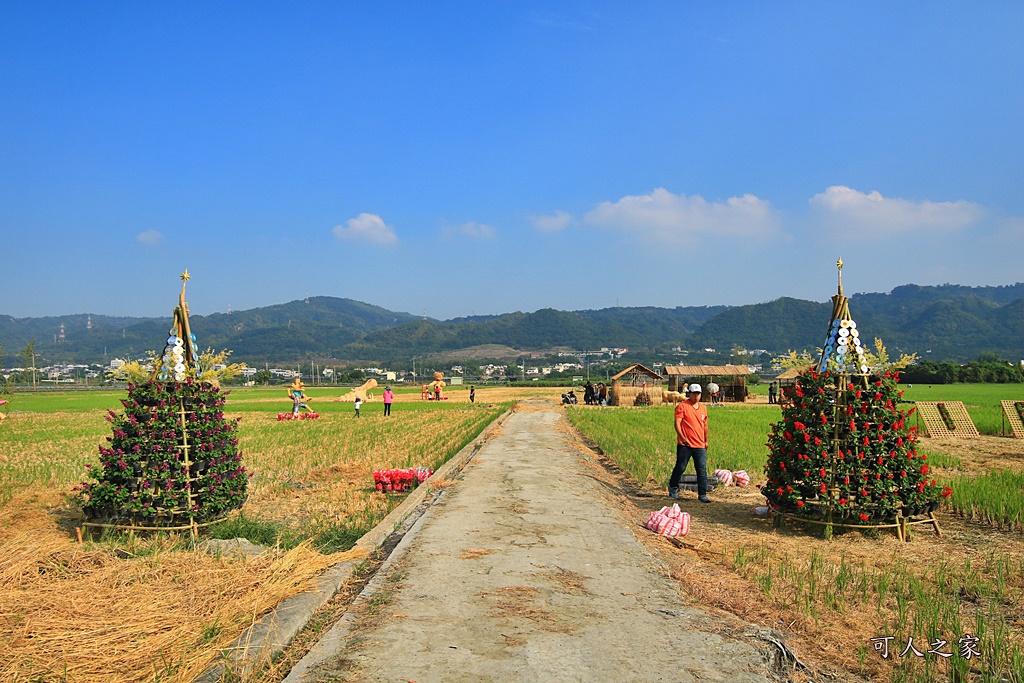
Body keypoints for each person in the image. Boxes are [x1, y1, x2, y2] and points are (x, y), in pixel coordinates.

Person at [669, 383, 711, 503]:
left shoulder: (703, 408)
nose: (696, 396)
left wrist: (706, 440)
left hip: (699, 445)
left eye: (698, 394)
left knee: (701, 469)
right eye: (694, 394)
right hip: (685, 444)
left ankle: (702, 494)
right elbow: (677, 423)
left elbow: (705, 425)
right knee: (681, 467)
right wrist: (682, 437)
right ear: (689, 394)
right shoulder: (682, 406)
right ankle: (673, 487)